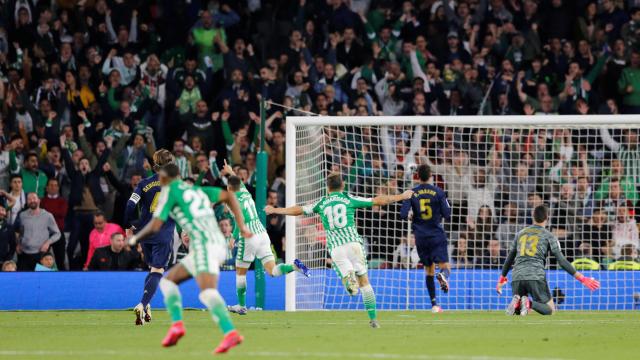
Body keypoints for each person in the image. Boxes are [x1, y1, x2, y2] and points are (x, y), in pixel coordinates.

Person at [128, 163, 251, 354]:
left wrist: (135, 238)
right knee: (168, 282)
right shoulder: (197, 190)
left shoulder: (171, 193)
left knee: (207, 292)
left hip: (206, 245)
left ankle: (230, 333)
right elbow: (228, 196)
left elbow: (155, 225)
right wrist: (241, 227)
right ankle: (177, 326)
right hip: (215, 243)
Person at [265, 173, 412, 328]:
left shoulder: (322, 203)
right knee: (365, 281)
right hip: (354, 245)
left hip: (336, 248)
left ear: (327, 188)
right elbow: (378, 200)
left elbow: (299, 210)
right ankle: (373, 319)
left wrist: (277, 210)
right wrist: (401, 196)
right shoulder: (348, 198)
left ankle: (349, 279)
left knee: (351, 286)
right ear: (342, 185)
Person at [221, 161, 310, 315]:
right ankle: (294, 267)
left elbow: (239, 220)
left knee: (240, 272)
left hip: (249, 236)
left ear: (229, 189)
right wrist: (230, 172)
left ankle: (241, 305)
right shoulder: (245, 192)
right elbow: (238, 182)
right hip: (262, 233)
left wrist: (233, 237)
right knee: (272, 270)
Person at [496, 205, 600, 316]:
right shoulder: (549, 236)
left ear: (533, 216)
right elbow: (562, 261)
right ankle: (528, 302)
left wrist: (502, 278)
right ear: (547, 217)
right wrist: (582, 278)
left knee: (519, 311)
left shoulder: (520, 234)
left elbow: (510, 258)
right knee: (550, 310)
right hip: (535, 274)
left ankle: (519, 301)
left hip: (517, 275)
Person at [124, 149, 176, 326]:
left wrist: (128, 225)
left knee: (152, 269)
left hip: (145, 234)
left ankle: (146, 306)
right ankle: (142, 304)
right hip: (163, 234)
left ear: (155, 165)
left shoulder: (143, 183)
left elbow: (130, 204)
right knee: (158, 271)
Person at [400, 164, 452, 313]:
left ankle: (434, 305)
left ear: (417, 176)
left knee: (428, 271)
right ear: (430, 176)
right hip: (436, 234)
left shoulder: (412, 193)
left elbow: (403, 214)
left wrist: (411, 215)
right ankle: (443, 275)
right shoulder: (438, 192)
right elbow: (447, 213)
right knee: (445, 266)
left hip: (421, 237)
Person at [15, 193, 61, 271]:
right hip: (24, 254)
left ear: (39, 200)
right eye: (29, 199)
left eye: (34, 198)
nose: (32, 200)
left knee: (41, 281)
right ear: (27, 202)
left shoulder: (47, 215)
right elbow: (20, 232)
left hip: (40, 255)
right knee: (24, 280)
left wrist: (48, 243)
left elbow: (57, 233)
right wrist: (18, 243)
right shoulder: (22, 215)